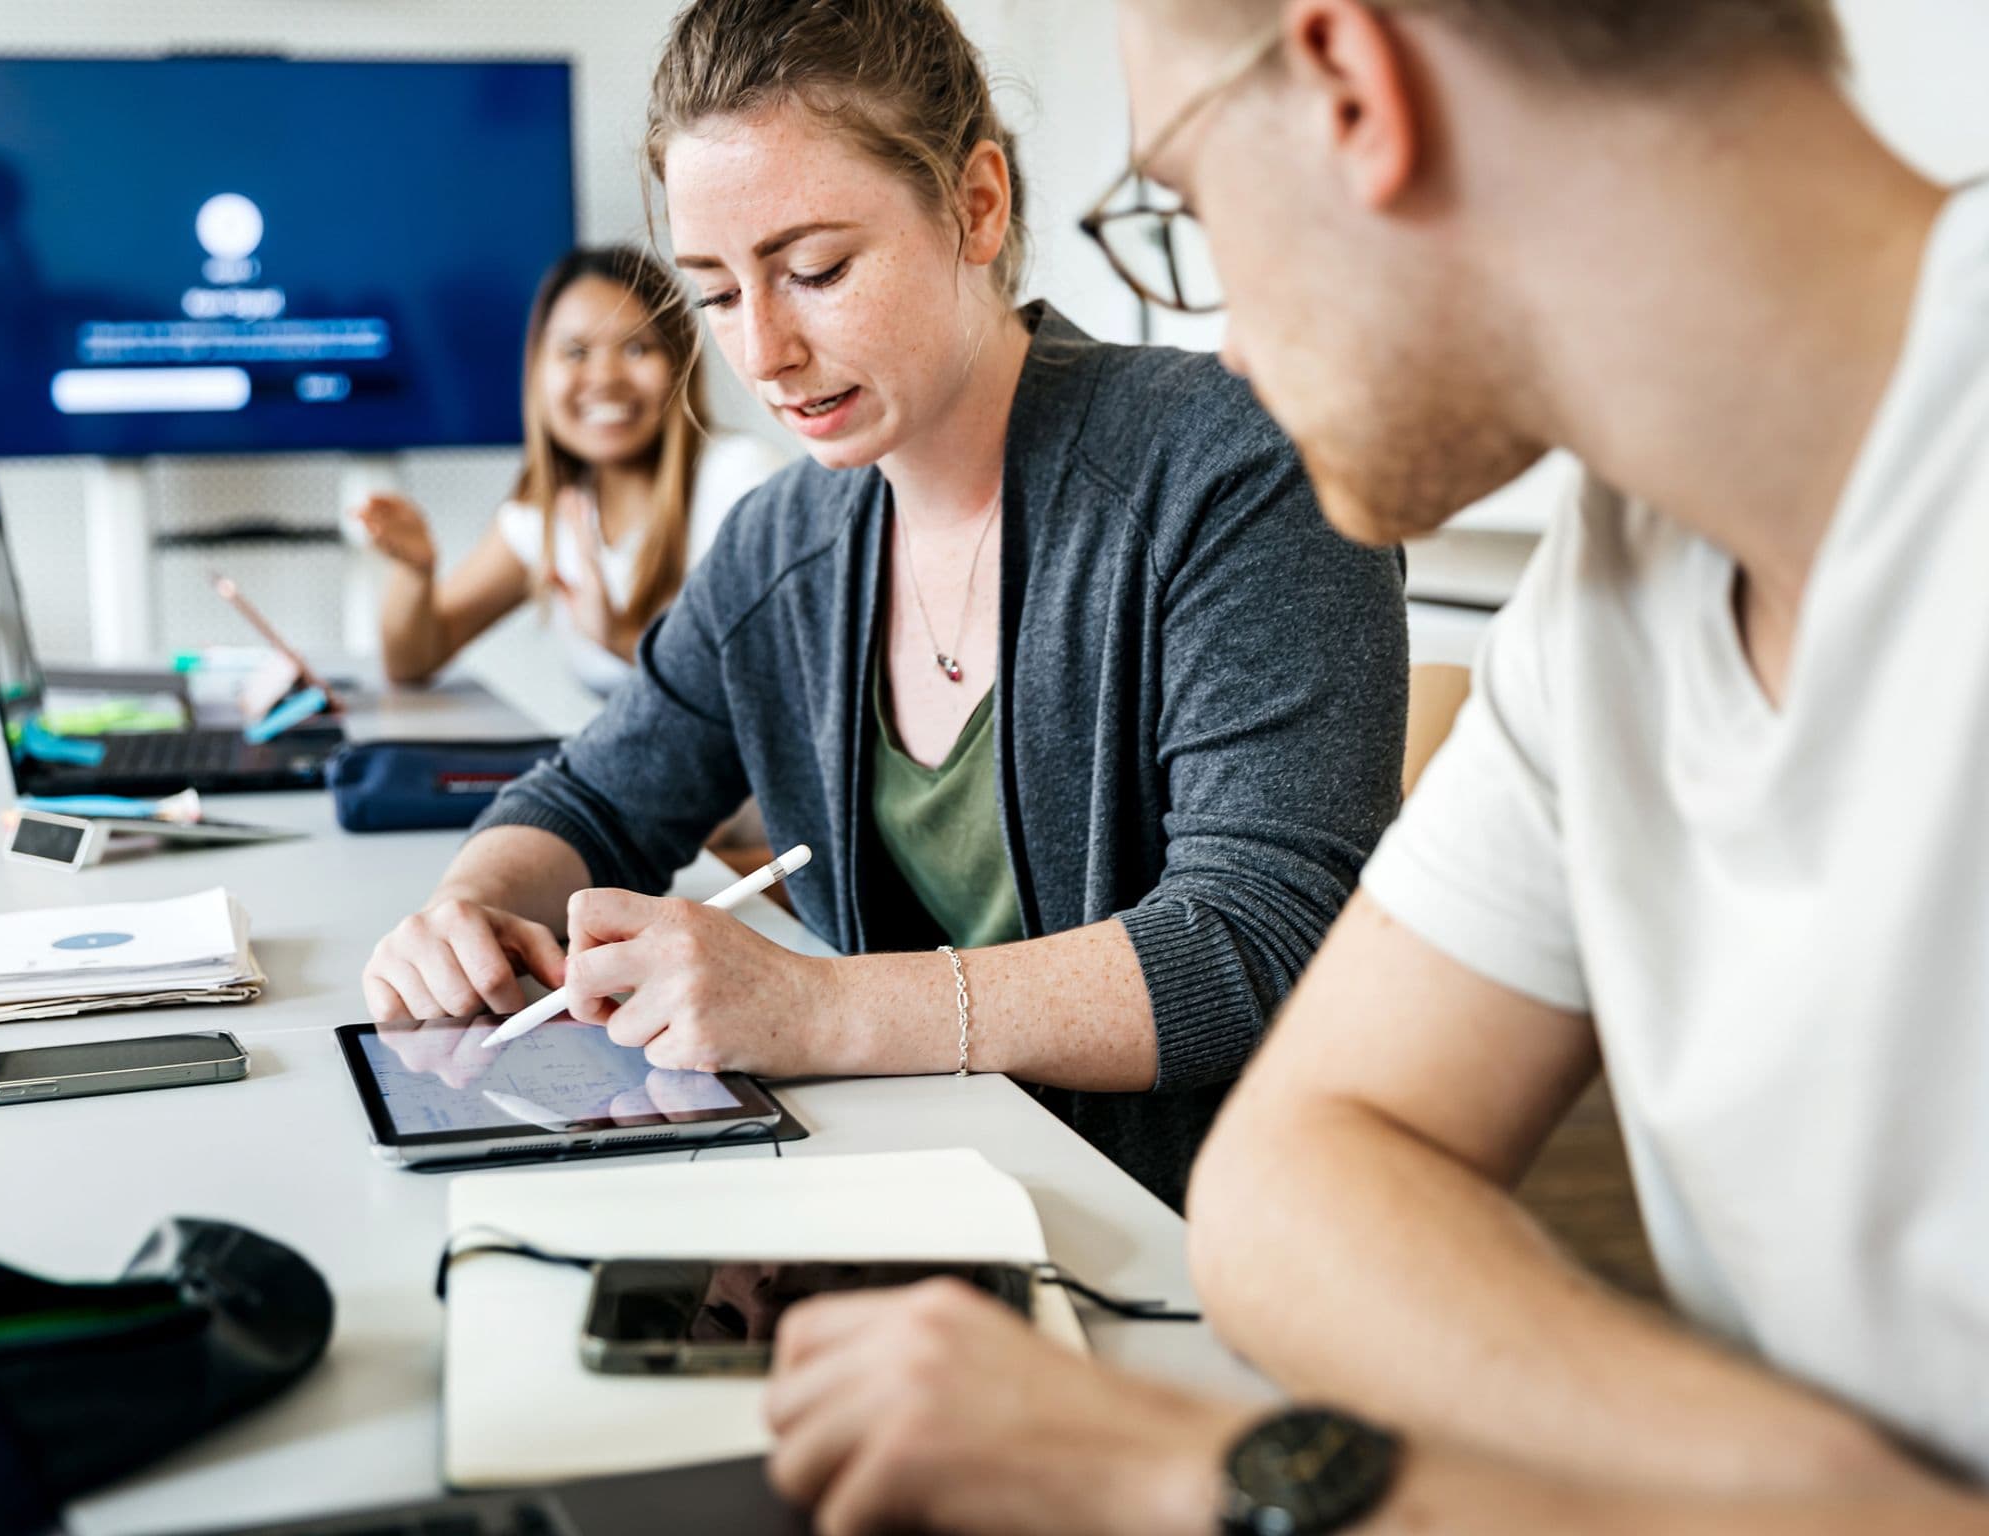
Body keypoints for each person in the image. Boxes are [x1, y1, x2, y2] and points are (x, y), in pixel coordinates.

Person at [754, 0, 1989, 1532]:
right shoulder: (1620, 582)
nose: (1234, 346)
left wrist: (1178, 1475)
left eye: (1190, 210)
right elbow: (1296, 1180)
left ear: (1355, 88)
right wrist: (1830, 1499)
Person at [358, 0, 1409, 1210]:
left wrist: (815, 1006)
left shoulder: (1222, 468)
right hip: (915, 1210)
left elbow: (1259, 943)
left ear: (976, 205)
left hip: (1181, 1238)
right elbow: (595, 797)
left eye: (815, 270)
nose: (761, 353)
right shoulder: (782, 545)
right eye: (711, 292)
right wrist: (468, 909)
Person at [352, 244, 782, 696]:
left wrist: (619, 640)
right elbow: (411, 661)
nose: (604, 378)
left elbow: (769, 691)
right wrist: (416, 572)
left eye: (636, 349)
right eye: (576, 352)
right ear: (538, 372)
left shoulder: (741, 480)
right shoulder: (548, 516)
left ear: (679, 363)